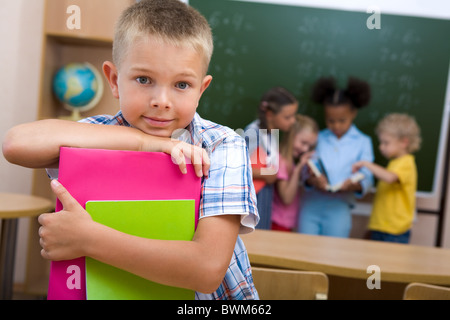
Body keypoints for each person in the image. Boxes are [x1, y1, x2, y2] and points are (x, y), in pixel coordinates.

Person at [2, 0, 259, 300]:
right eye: (144, 79)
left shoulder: (221, 145)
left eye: (182, 85)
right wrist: (143, 143)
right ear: (113, 80)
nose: (161, 100)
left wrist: (88, 239)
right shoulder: (97, 132)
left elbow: (206, 270)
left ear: (201, 90)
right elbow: (16, 144)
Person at [298, 76, 374, 238]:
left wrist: (353, 185)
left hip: (340, 206)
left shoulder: (363, 142)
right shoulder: (318, 137)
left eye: (342, 120)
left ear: (353, 113)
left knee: (333, 252)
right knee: (302, 250)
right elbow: (306, 168)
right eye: (330, 120)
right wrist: (312, 179)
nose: (336, 126)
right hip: (311, 205)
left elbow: (368, 176)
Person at [353, 113, 421, 244]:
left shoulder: (406, 163)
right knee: (374, 264)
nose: (381, 147)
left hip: (395, 231)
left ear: (404, 142)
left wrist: (366, 164)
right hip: (380, 227)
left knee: (390, 264)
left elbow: (390, 178)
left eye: (386, 143)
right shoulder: (393, 163)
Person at [244, 87, 298, 229]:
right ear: (269, 114)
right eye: (288, 117)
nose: (293, 121)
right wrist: (267, 175)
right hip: (253, 199)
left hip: (264, 199)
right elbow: (241, 166)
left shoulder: (271, 134)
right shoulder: (253, 132)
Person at [271, 115, 318, 232]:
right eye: (303, 143)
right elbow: (286, 198)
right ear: (291, 136)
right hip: (278, 223)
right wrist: (298, 169)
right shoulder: (281, 161)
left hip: (285, 224)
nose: (305, 149)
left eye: (309, 146)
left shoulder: (289, 162)